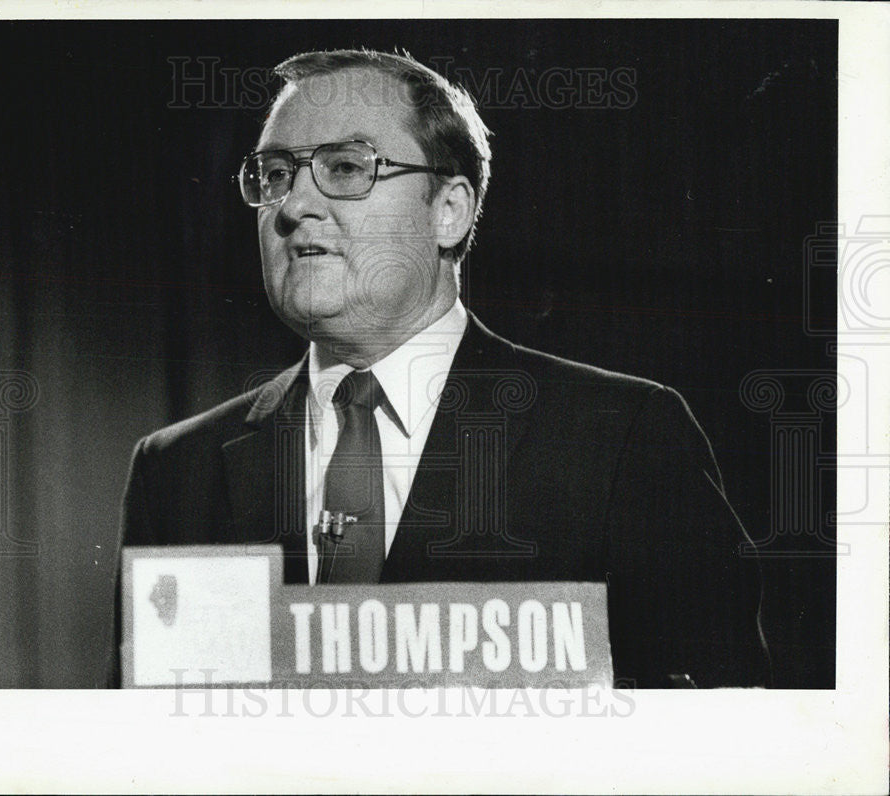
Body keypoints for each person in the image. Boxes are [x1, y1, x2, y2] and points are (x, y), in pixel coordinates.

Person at [117, 49, 769, 688]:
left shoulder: (622, 438)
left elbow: (722, 741)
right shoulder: (177, 471)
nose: (293, 207)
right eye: (276, 174)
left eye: (345, 167)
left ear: (448, 210)